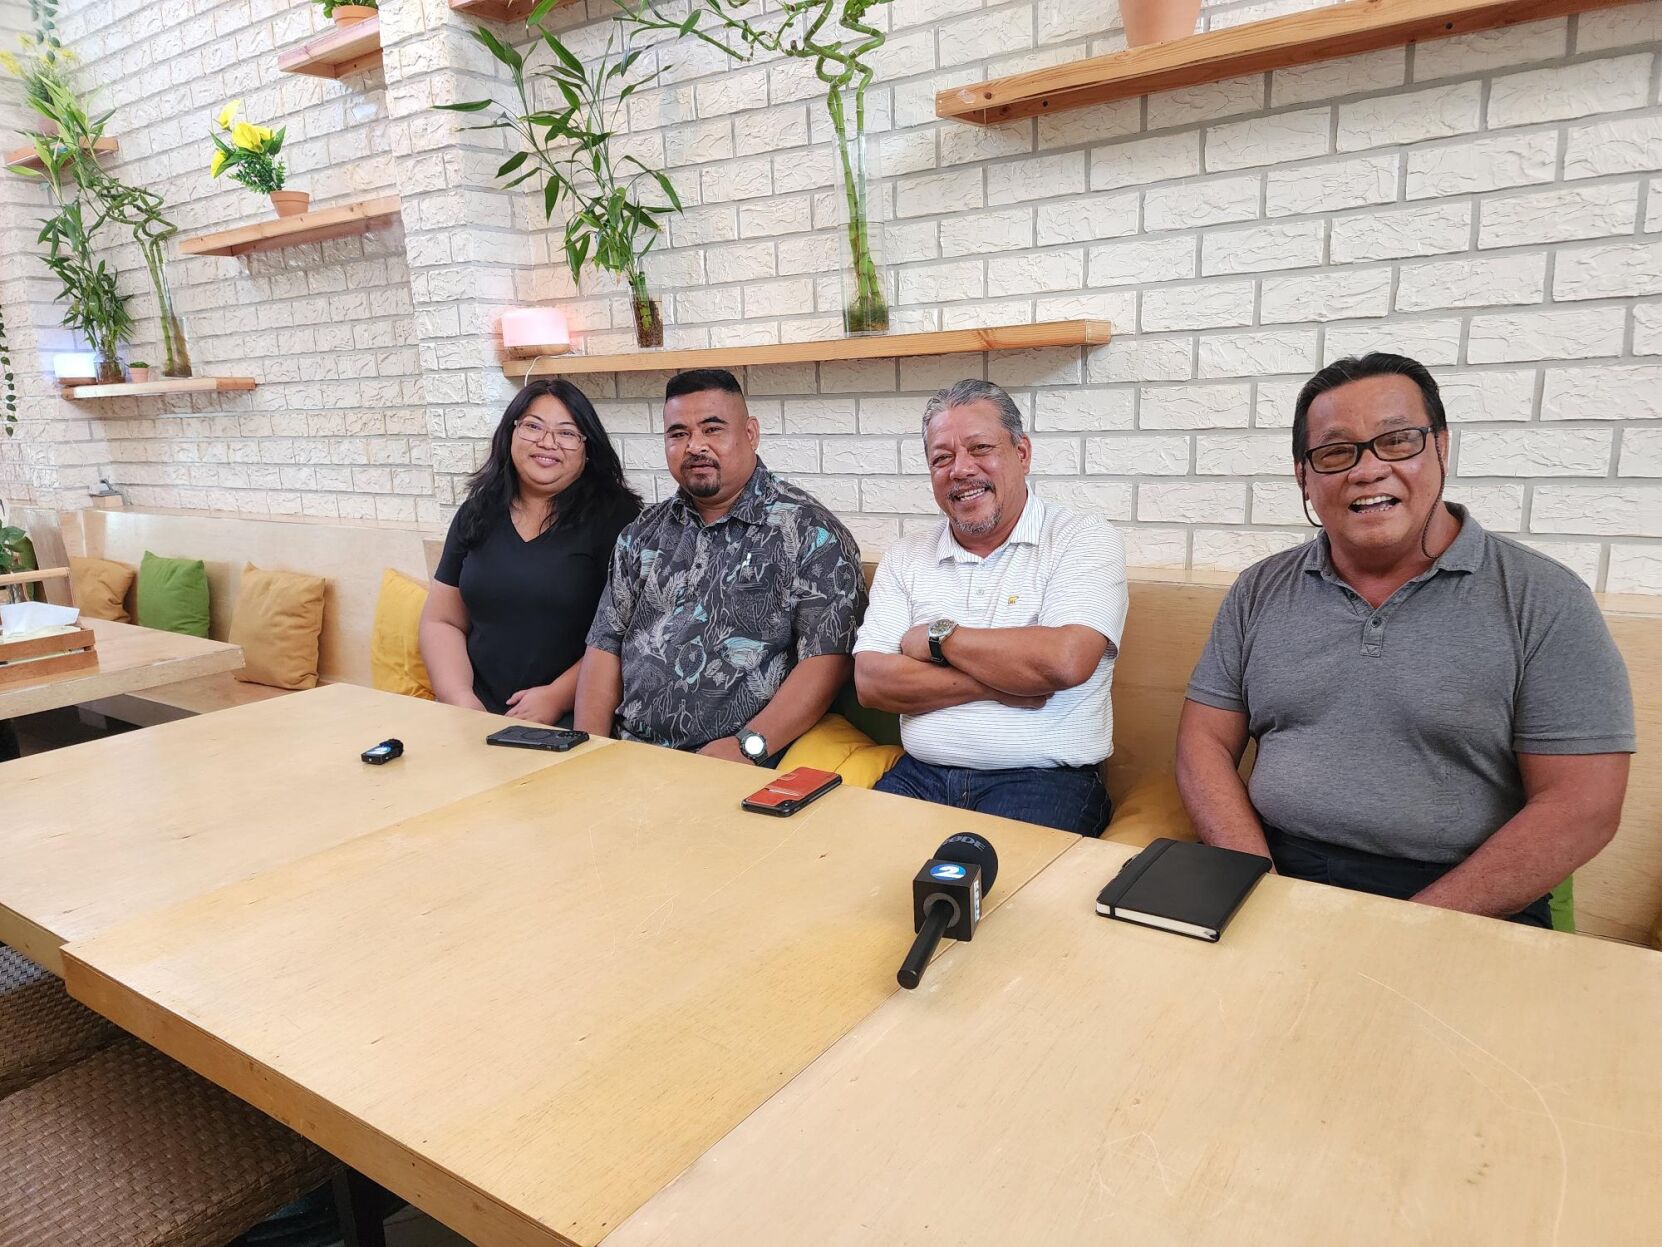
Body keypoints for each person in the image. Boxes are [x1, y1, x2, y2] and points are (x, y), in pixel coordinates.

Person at [1177, 352, 1635, 926]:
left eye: (1397, 441)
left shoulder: (1542, 598)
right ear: (1304, 476)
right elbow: (1203, 744)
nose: (1367, 470)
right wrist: (1251, 881)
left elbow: (1582, 806)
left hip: (1469, 895)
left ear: (1441, 447)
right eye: (1335, 451)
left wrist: (1409, 929)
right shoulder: (1259, 590)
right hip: (1276, 866)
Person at [852, 379, 1129, 836]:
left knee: (993, 898)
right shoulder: (905, 556)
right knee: (845, 871)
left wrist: (938, 637)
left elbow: (1064, 660)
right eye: (942, 458)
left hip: (1044, 782)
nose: (960, 469)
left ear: (1022, 454)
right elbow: (873, 683)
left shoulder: (1083, 538)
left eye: (980, 448)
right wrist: (1001, 686)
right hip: (919, 775)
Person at [574, 368, 865, 763]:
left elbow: (828, 661)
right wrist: (587, 751)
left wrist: (748, 746)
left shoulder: (811, 533)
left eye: (712, 429)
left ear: (750, 434)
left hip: (738, 761)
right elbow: (605, 645)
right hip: (628, 753)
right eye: (678, 434)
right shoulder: (641, 533)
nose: (695, 446)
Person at [420, 379, 641, 721]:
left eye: (566, 433)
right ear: (511, 433)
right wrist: (459, 697)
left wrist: (556, 698)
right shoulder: (478, 511)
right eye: (533, 426)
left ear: (588, 448)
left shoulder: (618, 520)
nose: (547, 442)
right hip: (473, 714)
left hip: (574, 715)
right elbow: (443, 620)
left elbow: (631, 636)